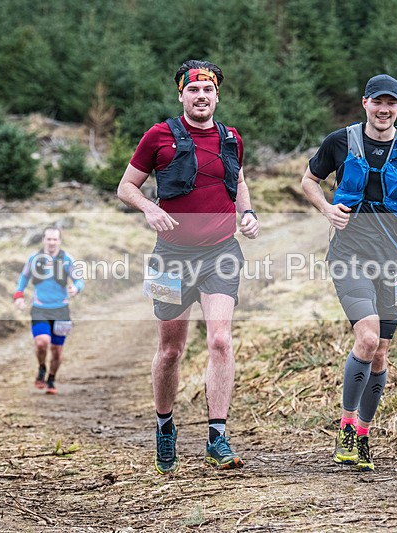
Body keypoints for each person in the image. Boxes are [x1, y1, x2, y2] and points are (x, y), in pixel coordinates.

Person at [116, 59, 259, 474]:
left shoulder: (231, 138)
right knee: (171, 349)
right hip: (169, 257)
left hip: (221, 253)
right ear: (182, 94)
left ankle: (217, 435)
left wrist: (247, 214)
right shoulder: (158, 136)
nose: (201, 97)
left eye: (208, 91)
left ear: (217, 95)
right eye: (193, 90)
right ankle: (164, 426)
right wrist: (147, 208)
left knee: (219, 341)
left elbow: (240, 183)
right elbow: (126, 186)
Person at [301, 74, 397, 471]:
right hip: (349, 255)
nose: (384, 109)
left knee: (381, 353)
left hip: (393, 261)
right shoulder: (340, 141)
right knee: (366, 338)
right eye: (377, 102)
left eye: (391, 103)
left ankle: (363, 435)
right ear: (364, 103)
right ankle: (346, 425)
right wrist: (326, 209)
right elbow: (308, 180)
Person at [14, 226, 84, 395]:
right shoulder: (34, 258)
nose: (52, 242)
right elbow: (24, 277)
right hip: (40, 309)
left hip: (61, 310)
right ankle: (41, 368)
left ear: (59, 241)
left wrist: (76, 288)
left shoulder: (67, 260)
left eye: (55, 239)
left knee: (57, 350)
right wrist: (19, 295)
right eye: (49, 239)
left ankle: (51, 378)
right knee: (41, 342)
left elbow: (79, 279)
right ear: (43, 240)